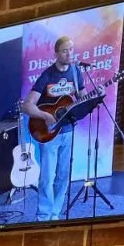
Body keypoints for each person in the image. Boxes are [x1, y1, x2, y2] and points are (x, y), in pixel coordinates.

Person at [23, 36, 85, 221]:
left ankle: (55, 213)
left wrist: (91, 96)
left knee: (63, 175)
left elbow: (81, 95)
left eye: (71, 49)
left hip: (68, 131)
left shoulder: (76, 72)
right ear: (56, 53)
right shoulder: (47, 75)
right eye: (65, 50)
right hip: (49, 133)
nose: (69, 54)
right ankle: (43, 215)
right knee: (47, 177)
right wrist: (46, 116)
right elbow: (28, 106)